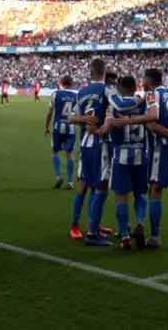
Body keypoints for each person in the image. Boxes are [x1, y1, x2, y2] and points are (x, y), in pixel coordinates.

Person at [111, 68, 168, 249]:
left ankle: (155, 237)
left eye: (144, 79)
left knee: (155, 190)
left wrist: (127, 121)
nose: (143, 82)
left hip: (162, 148)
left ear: (149, 80)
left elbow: (153, 120)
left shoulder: (154, 94)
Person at [95, 75, 148, 250]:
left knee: (121, 197)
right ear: (135, 87)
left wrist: (96, 130)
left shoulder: (114, 106)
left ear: (119, 88)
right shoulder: (142, 104)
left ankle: (125, 236)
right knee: (140, 194)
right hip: (141, 155)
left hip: (121, 157)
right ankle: (139, 224)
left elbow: (106, 128)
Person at [67, 58, 116, 246]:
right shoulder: (108, 90)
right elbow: (119, 107)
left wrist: (84, 118)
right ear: (105, 73)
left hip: (85, 144)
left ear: (90, 72)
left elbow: (71, 119)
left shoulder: (82, 91)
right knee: (102, 185)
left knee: (85, 184)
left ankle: (79, 226)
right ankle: (93, 233)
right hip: (101, 143)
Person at [44, 75, 77, 190]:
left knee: (55, 151)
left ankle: (59, 176)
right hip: (71, 128)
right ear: (72, 84)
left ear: (60, 83)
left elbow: (49, 113)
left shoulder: (55, 94)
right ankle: (69, 182)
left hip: (58, 127)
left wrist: (46, 127)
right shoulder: (76, 96)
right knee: (70, 153)